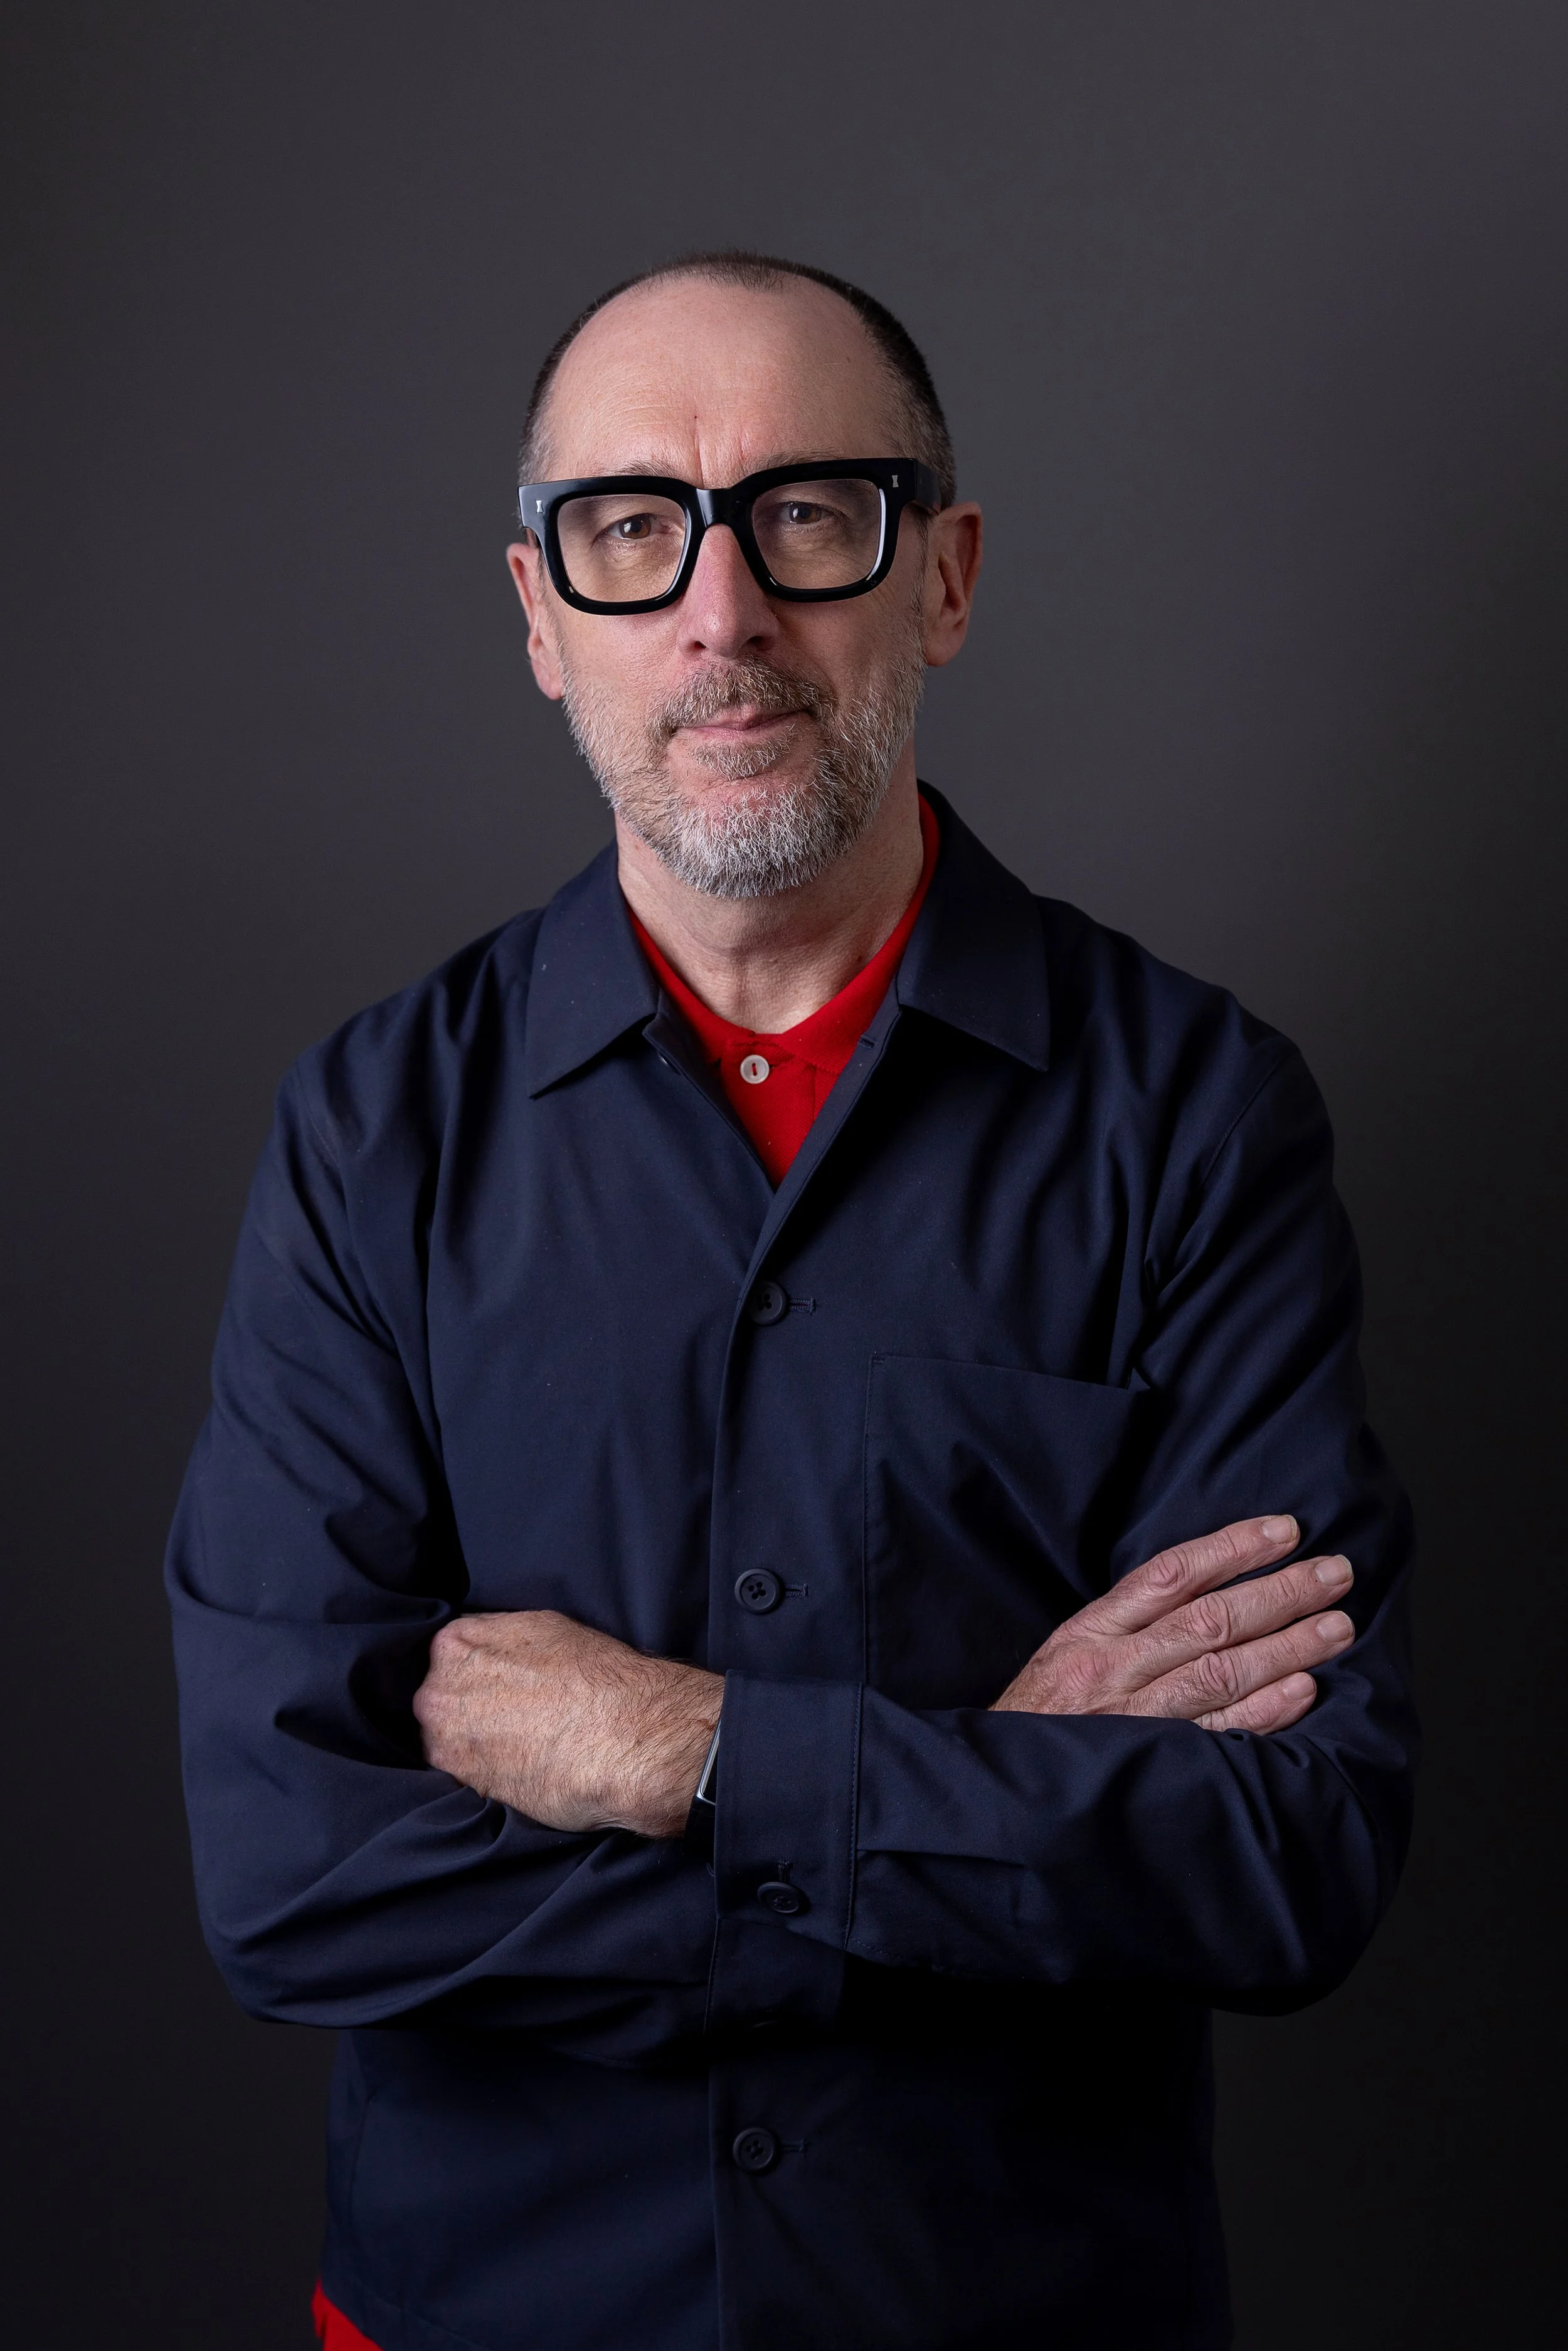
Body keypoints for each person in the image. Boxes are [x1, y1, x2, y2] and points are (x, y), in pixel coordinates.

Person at [167, 251, 1417, 2351]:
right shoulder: (375, 1129)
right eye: (633, 533)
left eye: (808, 515)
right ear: (541, 619)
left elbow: (1284, 1847)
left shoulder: (1197, 1114)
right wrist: (969, 1799)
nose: (721, 616)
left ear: (942, 575)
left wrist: (687, 1747)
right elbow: (297, 1871)